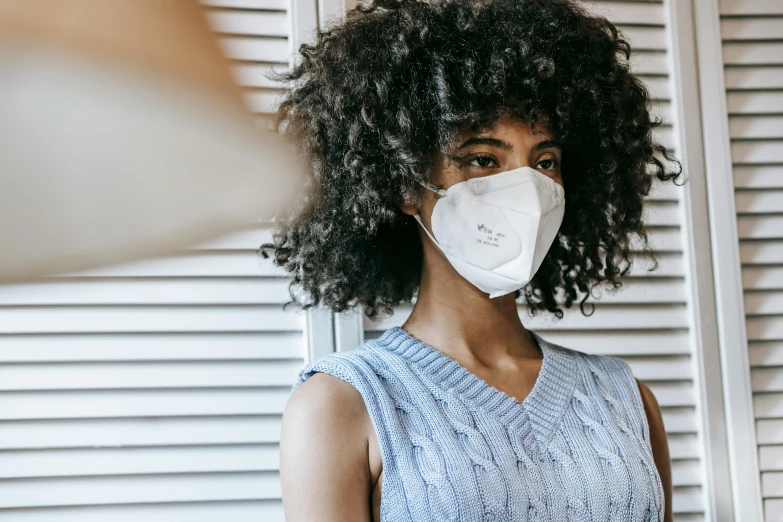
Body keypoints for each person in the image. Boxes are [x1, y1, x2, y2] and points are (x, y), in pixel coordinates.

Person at [261, 0, 681, 520]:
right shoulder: (341, 405)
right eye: (484, 159)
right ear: (405, 183)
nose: (525, 188)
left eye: (545, 161)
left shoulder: (629, 401)